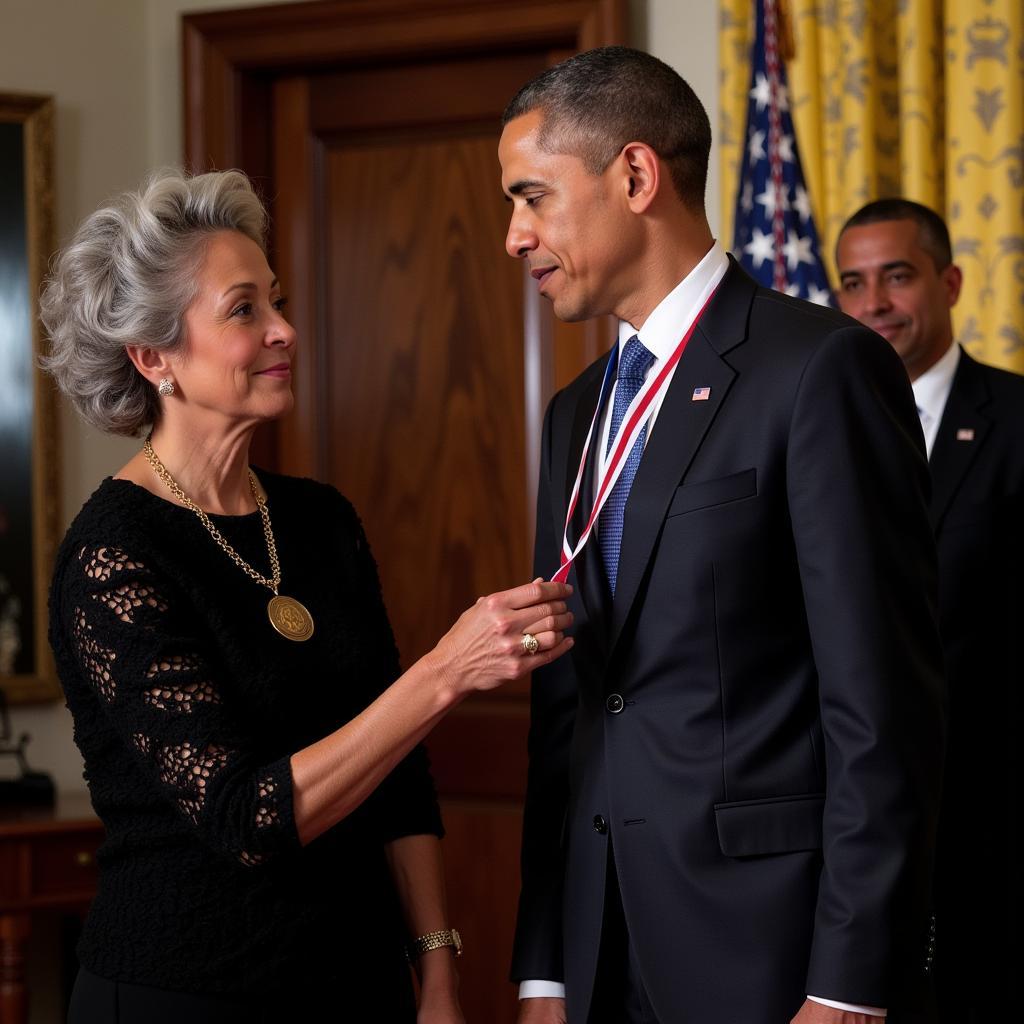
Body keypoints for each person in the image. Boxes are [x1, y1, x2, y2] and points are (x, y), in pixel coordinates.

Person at [39, 168, 573, 1023]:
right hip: (184, 995)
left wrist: (435, 970)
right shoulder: (112, 555)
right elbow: (244, 816)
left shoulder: (320, 521)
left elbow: (399, 775)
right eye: (244, 309)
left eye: (277, 300)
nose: (285, 329)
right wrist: (444, 672)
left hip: (359, 983)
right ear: (153, 357)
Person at [498, 47, 945, 1024]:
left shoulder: (821, 369)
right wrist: (543, 968)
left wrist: (846, 986)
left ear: (633, 175)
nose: (513, 235)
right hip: (596, 949)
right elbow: (567, 708)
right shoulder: (575, 412)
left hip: (770, 958)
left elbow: (881, 712)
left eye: (531, 198)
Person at [836, 198, 1023, 1023]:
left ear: (948, 282)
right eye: (853, 283)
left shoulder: (1017, 421)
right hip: (854, 824)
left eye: (897, 277)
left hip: (993, 819)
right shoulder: (821, 426)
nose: (873, 303)